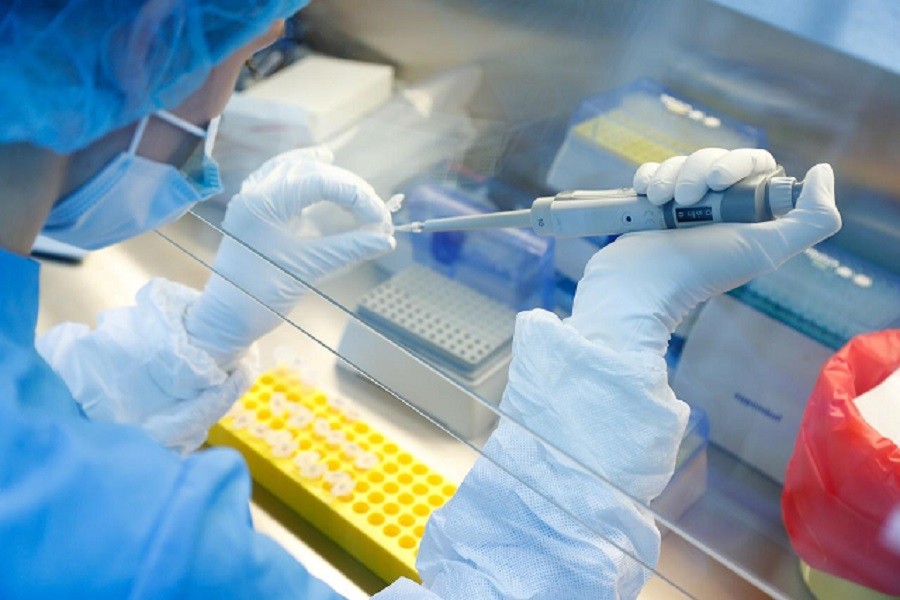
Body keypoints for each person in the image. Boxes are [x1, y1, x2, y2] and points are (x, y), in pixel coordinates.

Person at [0, 1, 841, 598]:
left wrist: (200, 335)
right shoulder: (144, 547)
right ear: (143, 40)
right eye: (249, 58)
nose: (226, 102)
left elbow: (39, 429)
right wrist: (619, 339)